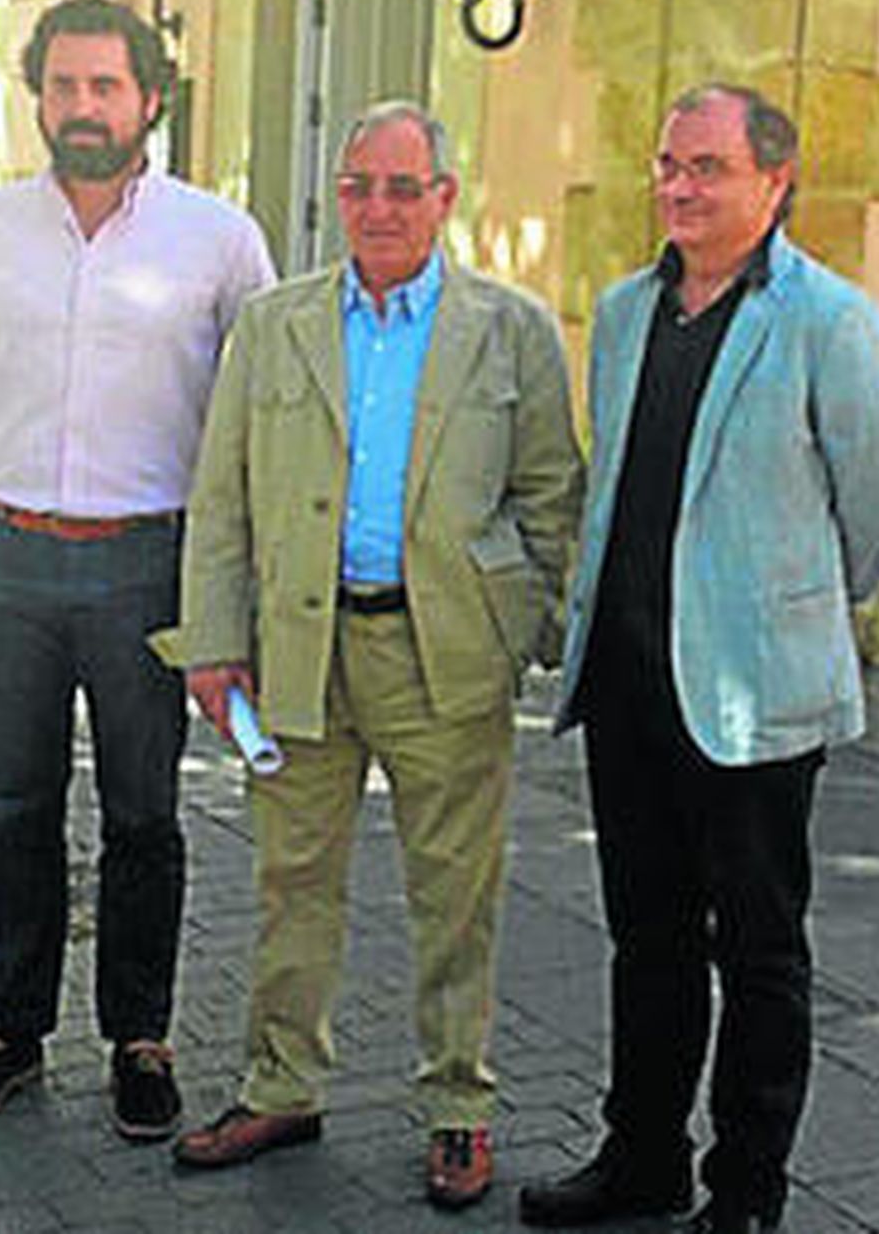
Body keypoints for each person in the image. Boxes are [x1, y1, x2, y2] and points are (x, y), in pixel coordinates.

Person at [156, 100, 583, 1210]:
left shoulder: (512, 330)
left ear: (445, 197)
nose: (379, 208)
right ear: (335, 195)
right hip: (296, 653)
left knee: (456, 894)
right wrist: (214, 643)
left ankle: (457, 1107)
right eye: (359, 186)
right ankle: (281, 1086)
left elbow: (552, 496)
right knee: (290, 881)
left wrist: (527, 632)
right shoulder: (274, 324)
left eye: (403, 187)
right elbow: (220, 500)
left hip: (447, 656)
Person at [518, 84, 879, 1234]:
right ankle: (640, 1156)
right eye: (667, 164)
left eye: (707, 167)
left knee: (758, 952)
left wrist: (795, 611)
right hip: (629, 685)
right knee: (646, 942)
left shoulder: (828, 321)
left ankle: (744, 1191)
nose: (678, 186)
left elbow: (878, 504)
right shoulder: (624, 310)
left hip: (755, 697)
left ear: (773, 182)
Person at [0, 0, 275, 1140]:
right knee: (15, 805)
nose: (83, 106)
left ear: (150, 99)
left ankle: (140, 1038)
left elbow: (254, 399)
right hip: (10, 562)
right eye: (63, 84)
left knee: (143, 814)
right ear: (37, 96)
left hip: (146, 568)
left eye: (105, 86)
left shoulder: (219, 240)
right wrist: (6, 468)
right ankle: (10, 1032)